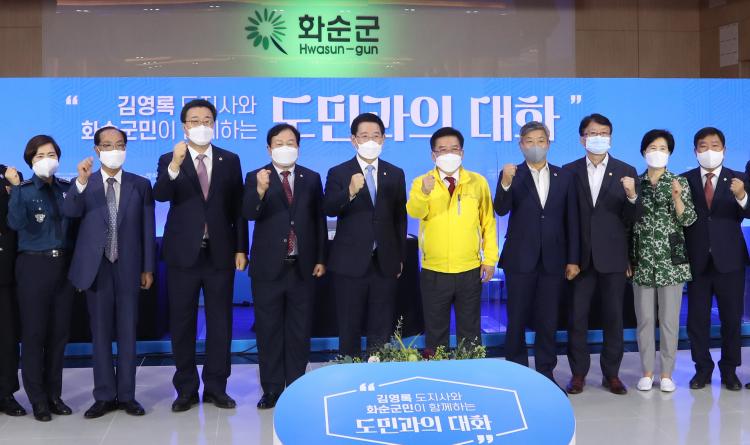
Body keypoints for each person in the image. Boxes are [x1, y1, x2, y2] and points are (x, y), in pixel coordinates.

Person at [153, 99, 248, 412]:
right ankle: (186, 389)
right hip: (183, 254)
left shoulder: (229, 159)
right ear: (184, 126)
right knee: (182, 323)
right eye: (194, 120)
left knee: (221, 322)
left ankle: (217, 387)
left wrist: (240, 248)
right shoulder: (169, 159)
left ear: (214, 124)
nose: (201, 125)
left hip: (220, 252)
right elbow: (161, 195)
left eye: (207, 119)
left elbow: (238, 208)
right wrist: (175, 165)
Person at [64, 127, 156, 417]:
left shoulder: (140, 184)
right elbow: (69, 212)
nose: (113, 150)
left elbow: (148, 228)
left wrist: (148, 267)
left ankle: (127, 396)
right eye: (107, 145)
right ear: (96, 150)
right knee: (100, 333)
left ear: (126, 148)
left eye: (119, 145)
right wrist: (80, 182)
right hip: (96, 268)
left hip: (129, 266)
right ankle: (104, 395)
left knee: (128, 332)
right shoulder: (84, 183)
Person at [243, 123, 327, 409]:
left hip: (302, 266)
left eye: (290, 142)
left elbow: (318, 220)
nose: (285, 147)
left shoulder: (311, 178)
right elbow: (248, 213)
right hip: (268, 268)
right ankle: (271, 389)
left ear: (298, 147)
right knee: (268, 330)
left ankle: (296, 385)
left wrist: (320, 258)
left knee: (299, 330)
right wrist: (260, 190)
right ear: (269, 149)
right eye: (279, 143)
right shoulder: (256, 176)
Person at [494, 121, 579, 385]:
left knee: (548, 319)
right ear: (521, 145)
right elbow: (500, 209)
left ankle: (546, 373)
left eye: (540, 141)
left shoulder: (564, 176)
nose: (535, 146)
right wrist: (505, 183)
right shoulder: (511, 173)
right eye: (529, 141)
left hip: (554, 258)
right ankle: (516, 374)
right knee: (516, 318)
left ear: (548, 144)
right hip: (520, 258)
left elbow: (572, 220)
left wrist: (573, 259)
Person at [562, 114, 638, 395]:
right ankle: (578, 374)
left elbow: (633, 219)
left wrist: (632, 196)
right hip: (579, 259)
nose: (598, 138)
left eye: (604, 133)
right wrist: (570, 258)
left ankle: (612, 374)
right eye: (593, 133)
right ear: (582, 139)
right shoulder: (568, 171)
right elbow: (566, 219)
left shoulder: (626, 170)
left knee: (613, 318)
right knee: (577, 319)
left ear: (611, 138)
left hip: (613, 257)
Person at [406, 127, 498, 352]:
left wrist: (490, 259)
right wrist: (424, 193)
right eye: (442, 150)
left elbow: (488, 222)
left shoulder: (477, 182)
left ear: (462, 153)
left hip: (469, 269)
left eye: (454, 149)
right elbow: (415, 212)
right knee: (435, 332)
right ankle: (438, 370)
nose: (449, 154)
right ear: (433, 155)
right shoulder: (421, 182)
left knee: (470, 332)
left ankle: (471, 370)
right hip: (434, 270)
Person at [323, 113, 407, 358]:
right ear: (354, 140)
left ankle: (376, 372)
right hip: (349, 263)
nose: (370, 141)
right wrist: (349, 192)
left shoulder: (395, 173)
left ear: (383, 139)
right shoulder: (339, 172)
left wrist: (400, 257)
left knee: (381, 326)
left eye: (376, 136)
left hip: (384, 261)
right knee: (348, 325)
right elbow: (328, 208)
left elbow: (399, 218)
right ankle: (349, 370)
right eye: (364, 136)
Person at [6, 135, 76, 421]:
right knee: (34, 335)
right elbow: (15, 223)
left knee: (59, 335)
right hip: (33, 266)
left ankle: (54, 395)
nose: (46, 160)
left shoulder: (67, 188)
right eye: (39, 156)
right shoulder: (22, 190)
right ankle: (38, 400)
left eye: (51, 155)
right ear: (30, 161)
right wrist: (14, 188)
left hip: (64, 267)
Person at [682, 127, 749, 391]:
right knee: (697, 321)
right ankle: (702, 369)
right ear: (695, 151)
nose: (709, 150)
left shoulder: (739, 178)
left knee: (731, 320)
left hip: (730, 260)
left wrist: (742, 195)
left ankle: (730, 370)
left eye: (715, 145)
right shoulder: (684, 180)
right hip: (696, 260)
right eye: (703, 146)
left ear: (724, 149)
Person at [630, 129, 696, 393]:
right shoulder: (635, 183)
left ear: (670, 153)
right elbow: (627, 223)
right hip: (643, 261)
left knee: (669, 321)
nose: (657, 152)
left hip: (672, 262)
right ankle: (647, 372)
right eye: (652, 148)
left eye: (663, 148)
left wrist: (677, 197)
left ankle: (667, 373)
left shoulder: (679, 182)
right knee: (645, 320)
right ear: (643, 152)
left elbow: (688, 220)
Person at [0, 164, 25, 417]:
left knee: (6, 339)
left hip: (4, 273)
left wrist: (13, 185)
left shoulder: (8, 175)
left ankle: (5, 393)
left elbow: (15, 221)